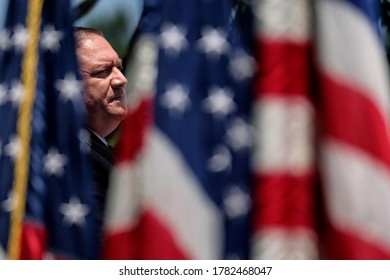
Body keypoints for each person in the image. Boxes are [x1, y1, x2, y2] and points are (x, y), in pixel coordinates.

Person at [73, 27, 127, 224]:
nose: (121, 80)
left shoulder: (106, 154)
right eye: (102, 71)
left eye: (118, 68)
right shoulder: (75, 161)